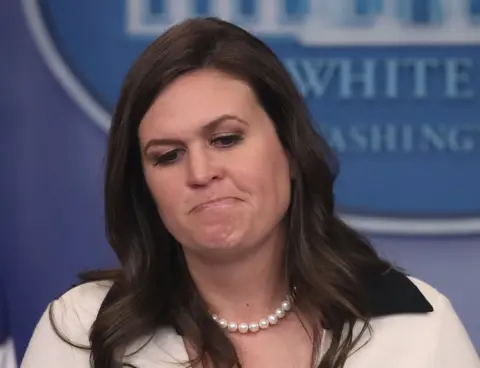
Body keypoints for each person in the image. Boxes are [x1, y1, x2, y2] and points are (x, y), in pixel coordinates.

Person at [21, 17, 479, 368]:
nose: (201, 172)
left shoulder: (415, 325)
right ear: (143, 185)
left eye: (226, 140)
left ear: (291, 152)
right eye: (168, 155)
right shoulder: (81, 331)